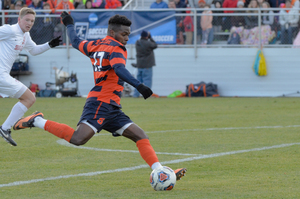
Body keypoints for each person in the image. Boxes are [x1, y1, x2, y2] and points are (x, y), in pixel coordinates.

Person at [13, 11, 187, 182]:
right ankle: (37, 121)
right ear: (112, 32)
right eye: (124, 34)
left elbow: (75, 41)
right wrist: (139, 86)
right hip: (100, 103)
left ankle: (161, 172)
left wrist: (70, 24)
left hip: (112, 106)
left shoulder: (95, 45)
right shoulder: (116, 48)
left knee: (140, 135)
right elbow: (119, 69)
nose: (127, 38)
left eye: (128, 34)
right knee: (78, 139)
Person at [0, 7, 61, 146]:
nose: (29, 23)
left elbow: (33, 50)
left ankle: (5, 128)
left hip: (3, 75)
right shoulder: (9, 30)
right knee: (29, 98)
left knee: (28, 98)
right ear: (19, 19)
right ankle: (5, 128)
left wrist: (49, 44)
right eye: (27, 20)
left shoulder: (25, 35)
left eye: (32, 21)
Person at [132, 30, 157, 98]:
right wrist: (150, 37)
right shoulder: (148, 43)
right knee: (147, 81)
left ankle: (135, 95)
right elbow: (155, 45)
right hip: (147, 65)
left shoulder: (137, 42)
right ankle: (147, 95)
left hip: (139, 65)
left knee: (138, 82)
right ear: (147, 36)